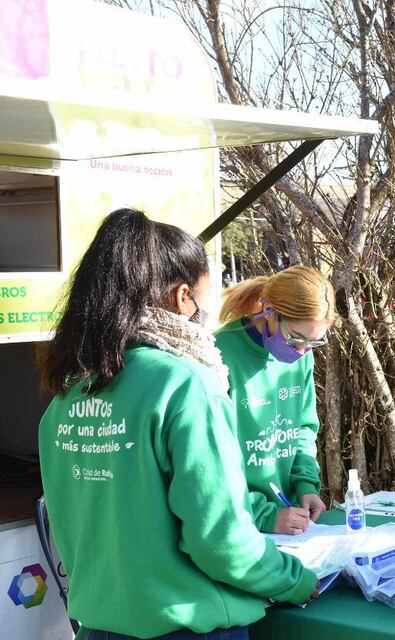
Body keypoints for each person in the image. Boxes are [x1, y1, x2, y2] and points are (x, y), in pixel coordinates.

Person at [37, 209, 318, 639]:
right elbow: (222, 541)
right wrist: (295, 579)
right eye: (205, 302)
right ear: (183, 297)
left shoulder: (67, 392)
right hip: (187, 625)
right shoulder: (185, 385)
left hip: (98, 625)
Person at [216, 266, 333, 535]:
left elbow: (304, 427)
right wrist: (264, 515)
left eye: (314, 343)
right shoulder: (219, 353)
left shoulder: (302, 356)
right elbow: (212, 463)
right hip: (238, 522)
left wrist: (306, 485)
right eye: (296, 338)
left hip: (290, 522)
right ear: (269, 311)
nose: (302, 351)